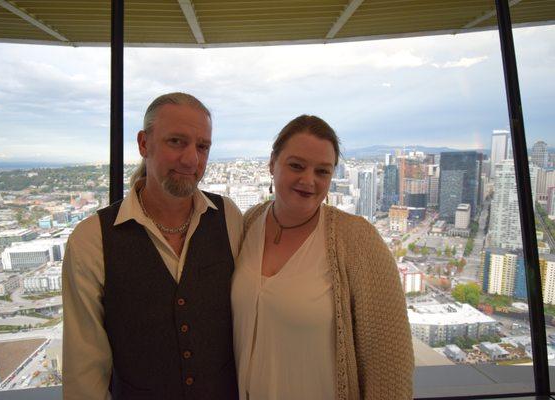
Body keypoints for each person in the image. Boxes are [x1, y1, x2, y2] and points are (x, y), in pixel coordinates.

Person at [62, 92, 242, 400]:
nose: (191, 159)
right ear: (144, 144)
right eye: (176, 142)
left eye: (202, 146)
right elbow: (84, 367)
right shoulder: (92, 239)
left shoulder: (229, 217)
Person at [232, 115, 414, 400]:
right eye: (296, 166)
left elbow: (390, 366)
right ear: (271, 164)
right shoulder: (247, 224)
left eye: (322, 171)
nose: (308, 180)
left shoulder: (358, 241)